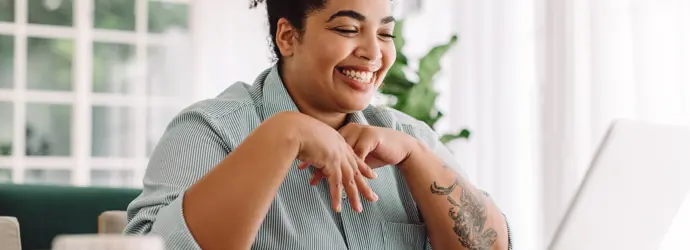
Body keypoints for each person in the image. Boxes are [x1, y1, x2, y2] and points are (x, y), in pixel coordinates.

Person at [124, 0, 512, 249]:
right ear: (289, 36)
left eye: (385, 33)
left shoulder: (408, 138)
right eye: (347, 29)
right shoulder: (208, 130)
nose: (374, 52)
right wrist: (283, 135)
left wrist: (415, 157)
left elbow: (491, 246)